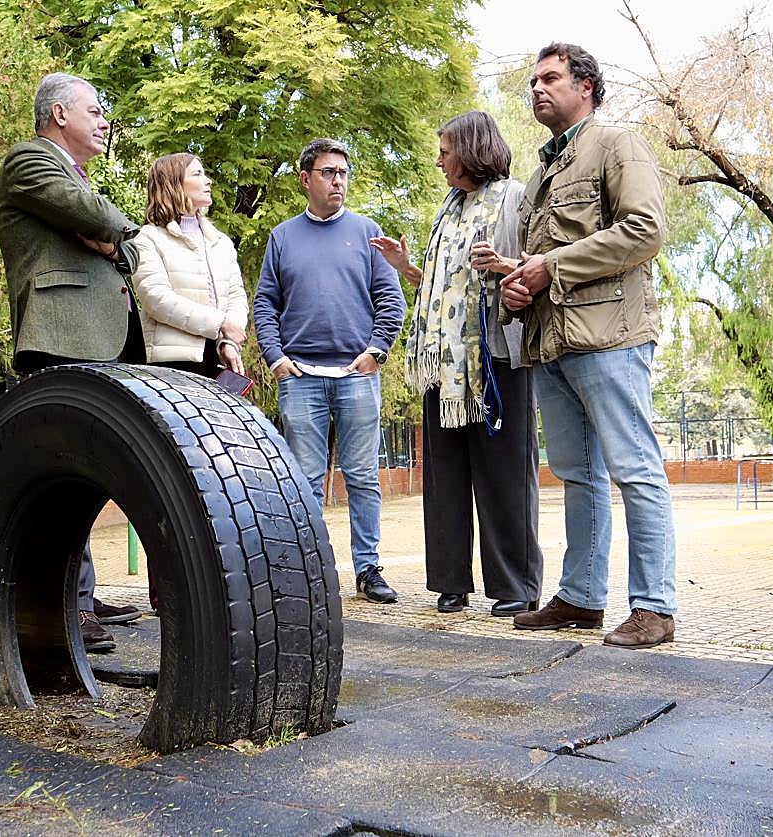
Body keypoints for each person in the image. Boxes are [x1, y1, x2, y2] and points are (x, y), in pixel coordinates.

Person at [499, 43, 676, 648]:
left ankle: (654, 608)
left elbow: (645, 230)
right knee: (577, 474)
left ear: (587, 86)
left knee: (634, 470)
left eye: (550, 78)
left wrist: (551, 265)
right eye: (533, 82)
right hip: (552, 344)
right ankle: (581, 598)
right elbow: (537, 263)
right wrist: (518, 290)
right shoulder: (538, 175)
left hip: (611, 339)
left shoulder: (617, 144)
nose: (538, 89)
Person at [371, 111, 543, 617]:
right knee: (444, 477)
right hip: (443, 365)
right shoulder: (448, 209)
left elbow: (537, 266)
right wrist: (407, 270)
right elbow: (447, 288)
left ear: (470, 150)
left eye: (445, 151)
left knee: (504, 475)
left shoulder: (514, 198)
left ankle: (516, 586)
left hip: (495, 358)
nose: (439, 161)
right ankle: (451, 582)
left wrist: (506, 265)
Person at [0, 72, 143, 653]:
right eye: (95, 109)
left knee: (86, 474)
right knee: (62, 473)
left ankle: (80, 592)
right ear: (59, 114)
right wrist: (106, 230)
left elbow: (120, 245)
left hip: (94, 336)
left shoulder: (72, 175)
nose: (104, 120)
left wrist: (107, 236)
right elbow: (104, 219)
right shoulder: (28, 162)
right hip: (59, 334)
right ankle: (64, 607)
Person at [253, 138, 407, 604]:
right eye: (327, 172)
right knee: (304, 478)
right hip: (299, 377)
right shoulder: (282, 237)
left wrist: (377, 351)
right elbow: (265, 303)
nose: (337, 180)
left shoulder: (366, 232)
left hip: (357, 376)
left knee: (361, 475)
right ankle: (311, 571)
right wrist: (277, 359)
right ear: (306, 179)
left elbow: (390, 298)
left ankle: (368, 569)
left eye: (342, 172)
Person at [133, 153, 248, 379]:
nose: (208, 181)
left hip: (218, 359)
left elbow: (236, 296)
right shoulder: (147, 238)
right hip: (170, 364)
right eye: (197, 174)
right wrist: (221, 323)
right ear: (173, 184)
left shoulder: (221, 242)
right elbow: (156, 299)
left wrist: (229, 341)